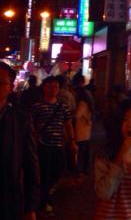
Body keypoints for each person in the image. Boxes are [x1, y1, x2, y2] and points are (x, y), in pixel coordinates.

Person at [31, 76, 77, 217]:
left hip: (58, 145)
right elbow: (31, 126)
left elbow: (68, 124)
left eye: (56, 86)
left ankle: (45, 195)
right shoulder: (37, 107)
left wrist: (72, 141)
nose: (54, 89)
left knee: (59, 170)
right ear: (44, 88)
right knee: (45, 173)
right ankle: (45, 202)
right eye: (50, 86)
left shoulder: (62, 107)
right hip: (43, 145)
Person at [0, 62, 40, 220]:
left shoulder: (21, 120)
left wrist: (31, 207)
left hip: (7, 200)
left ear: (10, 88)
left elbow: (31, 165)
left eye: (1, 83)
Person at [73, 80, 94, 179]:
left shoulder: (82, 104)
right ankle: (85, 170)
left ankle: (81, 170)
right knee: (85, 151)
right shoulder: (88, 103)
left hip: (81, 131)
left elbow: (76, 116)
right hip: (86, 132)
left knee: (81, 152)